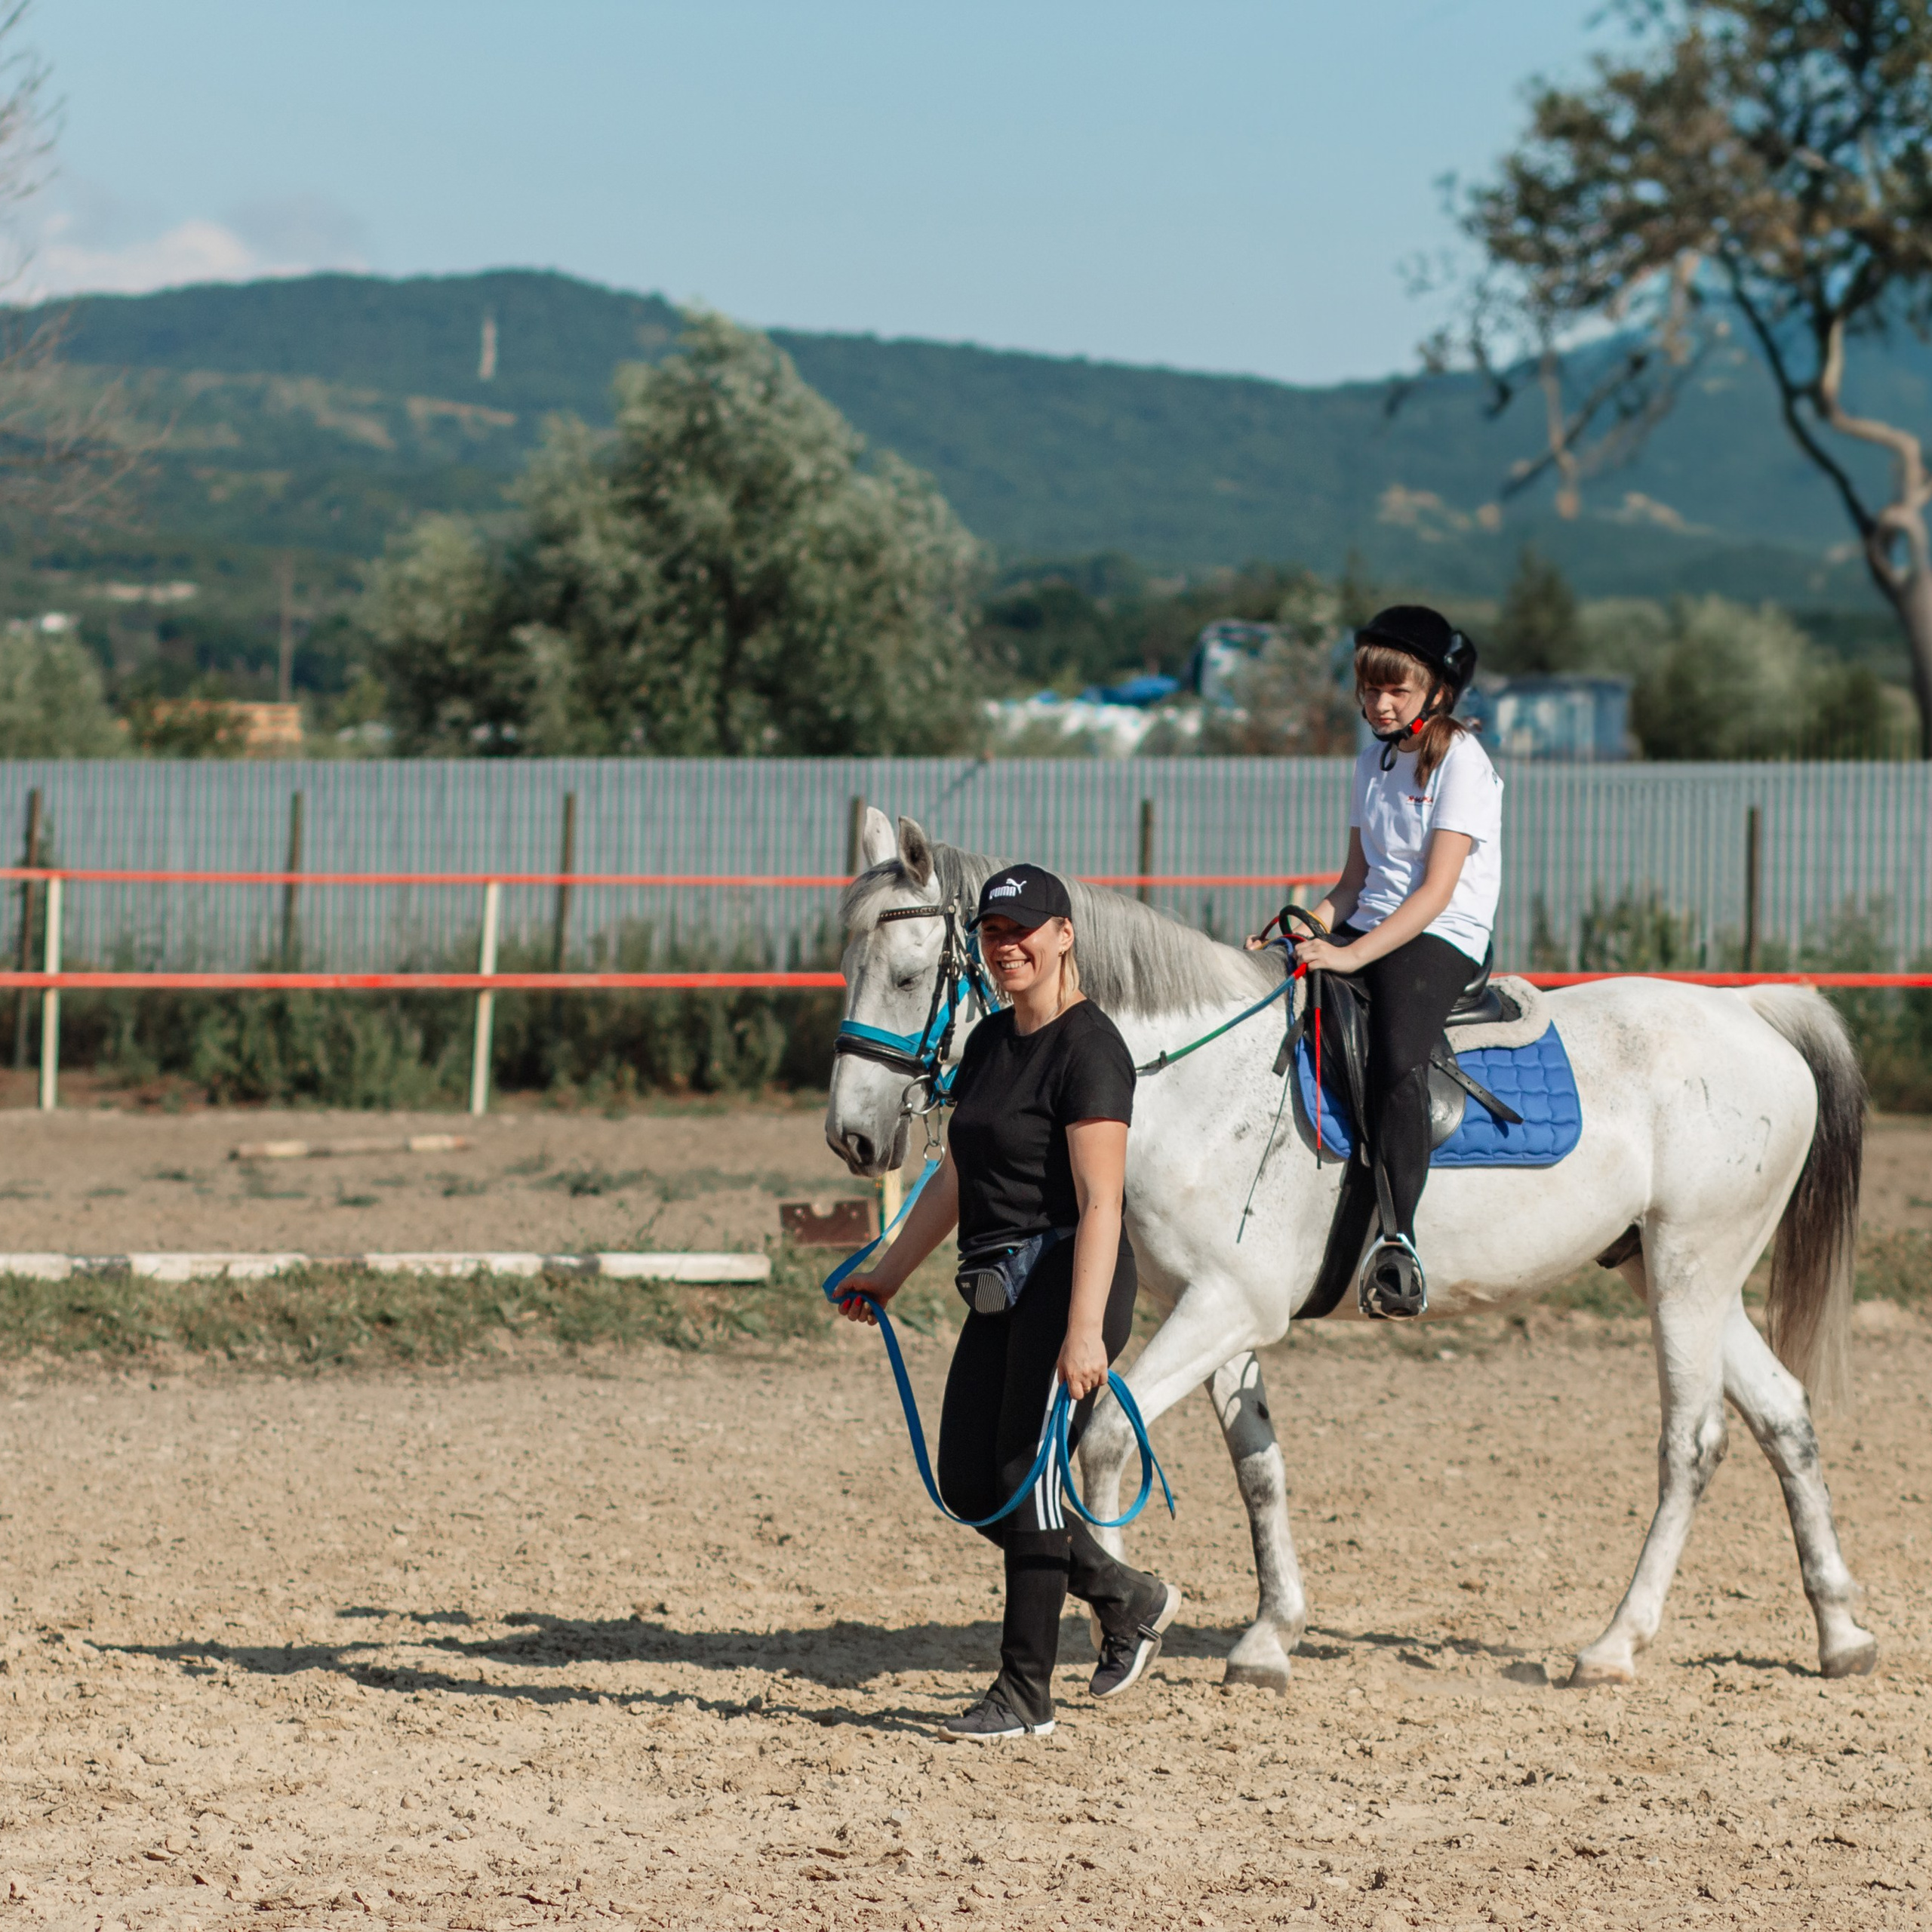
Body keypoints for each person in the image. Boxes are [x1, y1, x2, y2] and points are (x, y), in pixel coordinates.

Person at [838, 863, 1182, 1740]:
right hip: (998, 1283)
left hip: (1070, 1279)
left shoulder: (1090, 1049)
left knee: (1027, 1480)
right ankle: (1123, 1593)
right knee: (970, 1481)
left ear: (1063, 935)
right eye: (992, 933)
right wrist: (888, 1269)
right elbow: (959, 1172)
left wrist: (1083, 1333)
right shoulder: (990, 1042)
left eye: (1021, 931)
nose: (1004, 946)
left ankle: (1025, 1693)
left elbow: (1102, 1203)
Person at [1260, 605, 1503, 1318]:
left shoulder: (1463, 761)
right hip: (1371, 922)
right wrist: (1297, 931)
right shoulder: (1372, 761)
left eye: (1397, 689)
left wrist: (1354, 955)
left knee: (1396, 1056)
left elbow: (1435, 891)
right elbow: (1352, 883)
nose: (1380, 704)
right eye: (1370, 689)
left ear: (1437, 692)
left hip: (1442, 933)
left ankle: (1399, 1241)